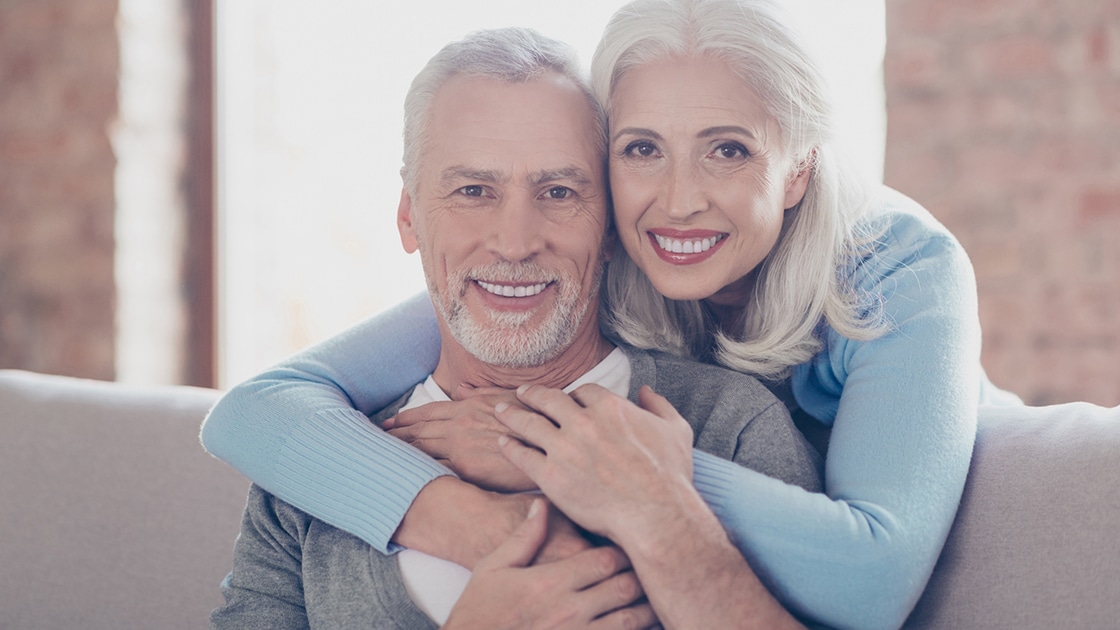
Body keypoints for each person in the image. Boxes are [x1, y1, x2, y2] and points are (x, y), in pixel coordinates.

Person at [201, 0, 1023, 628]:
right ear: (413, 216)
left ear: (799, 168)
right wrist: (465, 520)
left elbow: (873, 581)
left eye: (729, 148)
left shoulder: (890, 280)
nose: (680, 199)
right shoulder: (336, 449)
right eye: (641, 150)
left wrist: (571, 457)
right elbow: (256, 407)